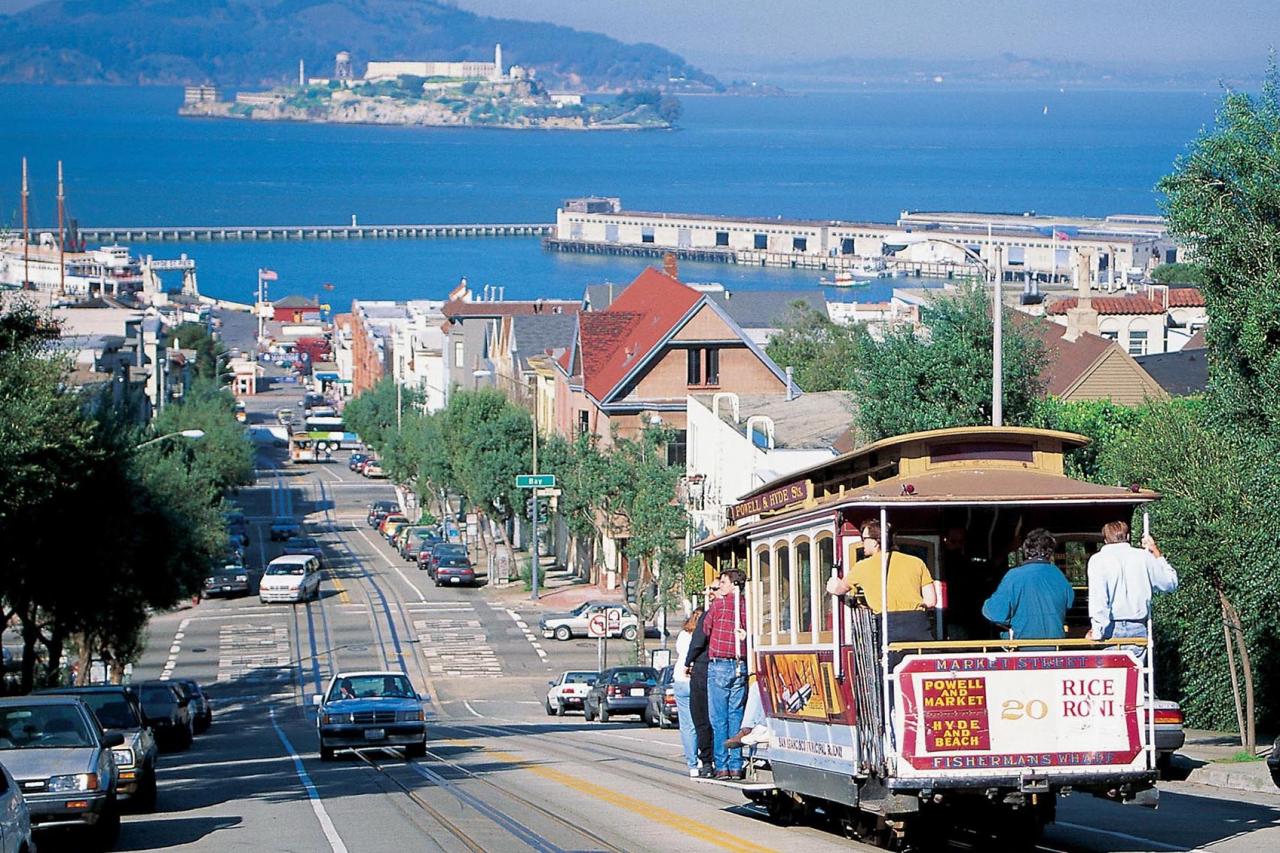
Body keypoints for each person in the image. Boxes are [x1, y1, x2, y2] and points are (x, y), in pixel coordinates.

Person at [827, 519, 935, 670]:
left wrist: (832, 582)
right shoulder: (916, 562)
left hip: (888, 627)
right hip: (918, 626)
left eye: (864, 539)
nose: (862, 543)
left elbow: (839, 588)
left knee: (890, 677)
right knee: (920, 671)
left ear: (876, 542)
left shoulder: (862, 567)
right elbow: (931, 601)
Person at [1086, 520, 1178, 659]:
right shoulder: (1144, 556)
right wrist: (1156, 552)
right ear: (1127, 537)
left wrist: (1096, 630)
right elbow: (1170, 583)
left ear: (1105, 540)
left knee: (1113, 677)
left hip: (1110, 628)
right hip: (1137, 627)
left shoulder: (1097, 560)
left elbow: (1099, 599)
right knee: (1136, 676)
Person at [981, 528, 1075, 643]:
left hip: (1023, 647)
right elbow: (1069, 604)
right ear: (1050, 552)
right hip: (1055, 646)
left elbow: (995, 613)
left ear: (1025, 550)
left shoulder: (1014, 576)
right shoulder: (1060, 576)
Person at [704, 569, 749, 780]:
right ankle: (737, 764)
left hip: (720, 665)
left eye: (723, 582)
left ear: (733, 585)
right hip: (740, 665)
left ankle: (722, 766)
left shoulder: (719, 605)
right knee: (736, 716)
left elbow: (706, 628)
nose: (720, 586)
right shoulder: (747, 607)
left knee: (719, 719)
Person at [684, 587, 717, 777]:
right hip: (729, 667)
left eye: (714, 588)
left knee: (702, 717)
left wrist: (688, 662)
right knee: (722, 718)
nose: (709, 592)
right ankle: (726, 760)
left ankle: (707, 761)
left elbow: (697, 642)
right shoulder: (739, 609)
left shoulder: (709, 615)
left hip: (704, 668)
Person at [672, 608, 703, 777]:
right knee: (703, 721)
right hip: (696, 679)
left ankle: (692, 763)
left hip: (680, 680)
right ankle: (705, 757)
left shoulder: (684, 634)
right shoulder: (703, 634)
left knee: (687, 725)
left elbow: (679, 652)